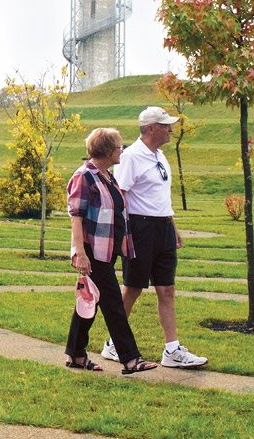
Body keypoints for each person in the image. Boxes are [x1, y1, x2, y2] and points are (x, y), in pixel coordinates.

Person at [101, 107, 208, 368]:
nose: (171, 129)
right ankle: (114, 344)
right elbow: (120, 196)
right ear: (150, 128)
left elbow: (161, 197)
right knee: (133, 287)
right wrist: (123, 234)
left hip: (162, 228)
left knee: (167, 289)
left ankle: (172, 351)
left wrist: (172, 227)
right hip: (139, 228)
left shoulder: (159, 156)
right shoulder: (131, 157)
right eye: (165, 125)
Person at [66, 128, 157, 375]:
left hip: (107, 250)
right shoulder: (84, 176)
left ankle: (75, 353)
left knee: (90, 300)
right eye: (119, 146)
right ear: (106, 150)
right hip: (93, 252)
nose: (122, 150)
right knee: (113, 304)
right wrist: (81, 254)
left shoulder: (107, 176)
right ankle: (130, 359)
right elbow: (76, 217)